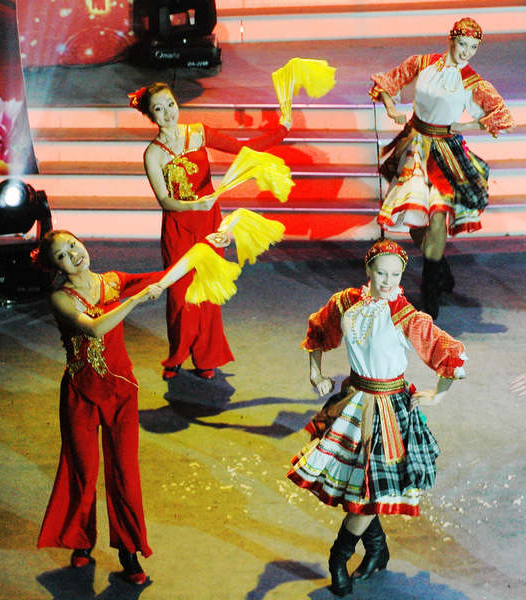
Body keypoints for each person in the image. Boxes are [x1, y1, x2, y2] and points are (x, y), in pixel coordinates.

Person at [34, 228, 231, 584]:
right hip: (81, 394)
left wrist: (203, 247)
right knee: (83, 472)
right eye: (62, 255)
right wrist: (136, 300)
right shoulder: (61, 298)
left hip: (122, 393)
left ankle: (128, 550)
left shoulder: (113, 281)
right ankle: (81, 540)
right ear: (56, 266)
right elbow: (94, 328)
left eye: (74, 246)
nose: (73, 255)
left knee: (124, 474)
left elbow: (163, 276)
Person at [287, 238, 467, 596]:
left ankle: (338, 557)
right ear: (368, 270)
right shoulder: (346, 302)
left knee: (369, 490)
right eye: (381, 273)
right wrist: (316, 373)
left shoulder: (407, 316)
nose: (387, 281)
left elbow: (449, 355)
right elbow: (318, 332)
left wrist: (437, 396)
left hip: (390, 408)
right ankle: (377, 548)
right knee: (364, 486)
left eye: (395, 275)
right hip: (355, 401)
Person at [129, 81, 290, 381]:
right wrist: (194, 206)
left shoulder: (199, 132)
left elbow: (245, 149)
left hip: (209, 223)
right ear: (150, 116)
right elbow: (165, 200)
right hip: (179, 225)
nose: (167, 113)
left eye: (170, 105)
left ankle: (207, 357)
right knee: (179, 294)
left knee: (207, 291)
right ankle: (177, 355)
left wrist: (282, 130)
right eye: (158, 109)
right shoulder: (152, 154)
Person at [369, 17, 514, 318]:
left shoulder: (472, 80)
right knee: (418, 226)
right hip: (414, 147)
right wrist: (392, 108)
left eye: (473, 48)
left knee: (437, 218)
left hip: (446, 153)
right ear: (451, 39)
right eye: (463, 45)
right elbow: (388, 83)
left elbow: (500, 115)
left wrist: (464, 123)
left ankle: (430, 298)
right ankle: (441, 272)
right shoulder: (421, 63)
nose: (467, 53)